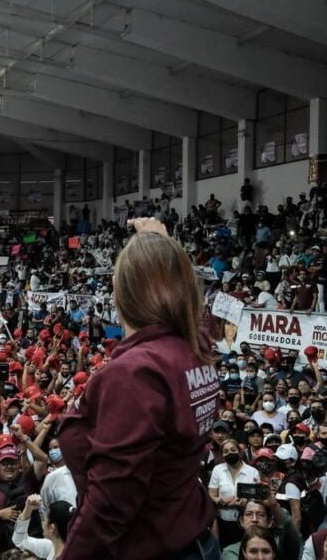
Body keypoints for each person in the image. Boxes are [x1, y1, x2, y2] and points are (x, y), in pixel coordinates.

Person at [58, 217, 220, 559]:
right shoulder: (194, 348)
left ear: (122, 293)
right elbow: (194, 311)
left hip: (148, 548)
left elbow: (111, 501)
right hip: (191, 541)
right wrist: (163, 251)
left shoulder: (135, 373)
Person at [209, 440, 260, 547]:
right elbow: (211, 494)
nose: (230, 453)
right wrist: (220, 501)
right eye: (226, 451)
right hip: (223, 521)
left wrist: (246, 501)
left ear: (240, 452)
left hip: (246, 521)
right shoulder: (217, 470)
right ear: (222, 455)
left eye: (233, 450)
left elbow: (257, 496)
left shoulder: (252, 472)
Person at [11, 495, 75, 560]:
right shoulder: (53, 546)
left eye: (44, 520)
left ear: (51, 528)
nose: (42, 523)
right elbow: (20, 541)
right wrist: (28, 508)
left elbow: (20, 541)